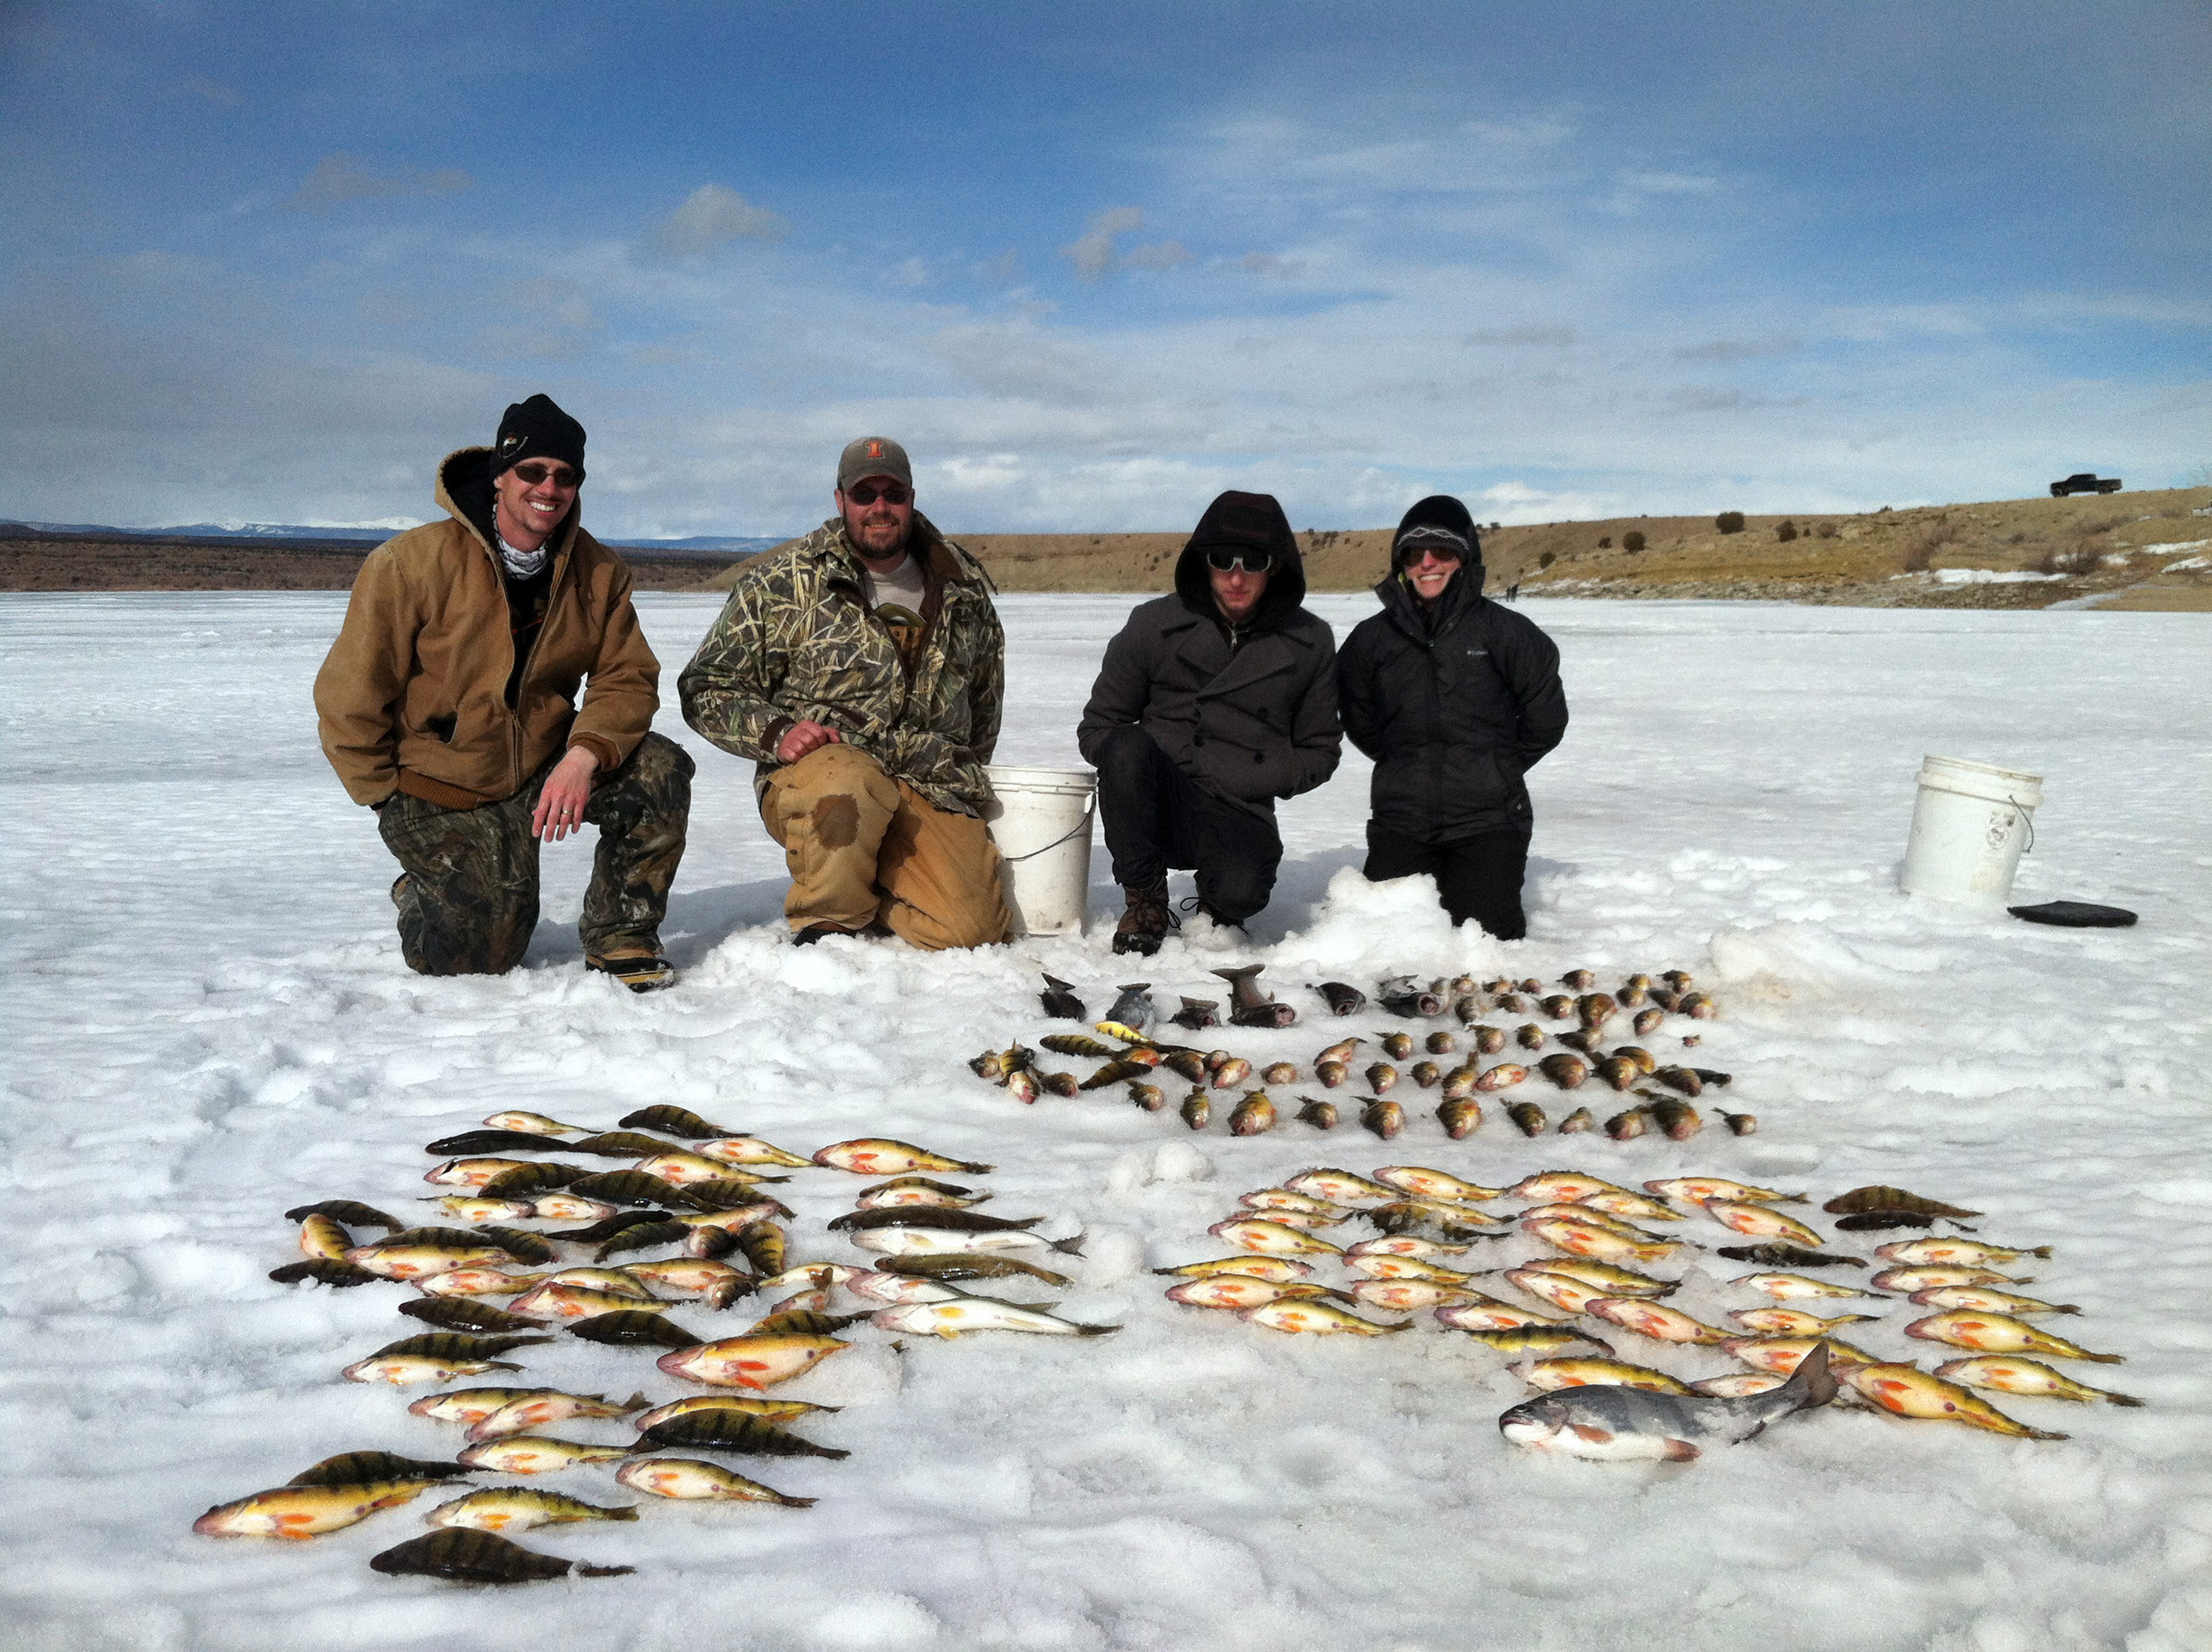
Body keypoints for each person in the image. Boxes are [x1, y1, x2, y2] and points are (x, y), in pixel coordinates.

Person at [314, 394, 693, 988]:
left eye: (565, 476)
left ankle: (621, 935)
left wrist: (583, 755)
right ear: (500, 475)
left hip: (544, 767)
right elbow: (351, 694)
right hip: (442, 783)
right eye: (532, 471)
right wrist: (383, 798)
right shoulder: (410, 564)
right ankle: (421, 890)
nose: (549, 488)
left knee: (658, 768)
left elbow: (627, 678)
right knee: (480, 958)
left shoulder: (599, 571)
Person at [679, 437, 1010, 949]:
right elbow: (706, 685)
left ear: (911, 498)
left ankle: (875, 887)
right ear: (841, 500)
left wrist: (959, 773)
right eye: (864, 495)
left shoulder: (962, 588)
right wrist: (777, 733)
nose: (880, 507)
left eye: (893, 494)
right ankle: (829, 923)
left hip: (927, 780)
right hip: (825, 774)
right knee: (847, 783)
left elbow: (984, 704)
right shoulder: (784, 583)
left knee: (972, 932)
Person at [1077, 490, 1342, 955]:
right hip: (1158, 796)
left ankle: (1218, 904)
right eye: (1222, 560)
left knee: (1242, 895)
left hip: (1239, 804)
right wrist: (1160, 762)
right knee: (1125, 746)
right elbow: (1098, 728)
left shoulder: (1309, 640)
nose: (1236, 578)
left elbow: (1320, 750)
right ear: (1204, 562)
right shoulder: (1152, 624)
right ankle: (1145, 900)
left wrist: (1253, 776)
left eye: (1253, 562)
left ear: (1275, 567)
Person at [1335, 495, 1567, 939]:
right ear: (1401, 564)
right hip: (1401, 819)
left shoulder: (1509, 634)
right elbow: (1359, 720)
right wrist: (1405, 765)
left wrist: (1494, 768)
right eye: (1413, 553)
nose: (1427, 563)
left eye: (1442, 550)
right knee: (1385, 944)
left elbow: (1546, 721)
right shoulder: (1370, 640)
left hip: (1488, 821)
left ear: (1465, 557)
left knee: (1488, 945)